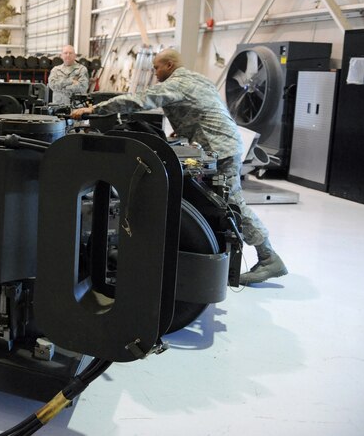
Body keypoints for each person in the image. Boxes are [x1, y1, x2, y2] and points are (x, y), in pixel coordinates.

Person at [69, 48, 287, 285]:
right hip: (224, 143)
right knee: (219, 202)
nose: (154, 73)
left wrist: (92, 111)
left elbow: (138, 100)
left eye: (157, 68)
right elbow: (201, 110)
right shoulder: (198, 79)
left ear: (169, 65)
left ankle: (269, 258)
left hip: (220, 148)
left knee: (232, 203)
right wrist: (183, 131)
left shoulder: (177, 84)